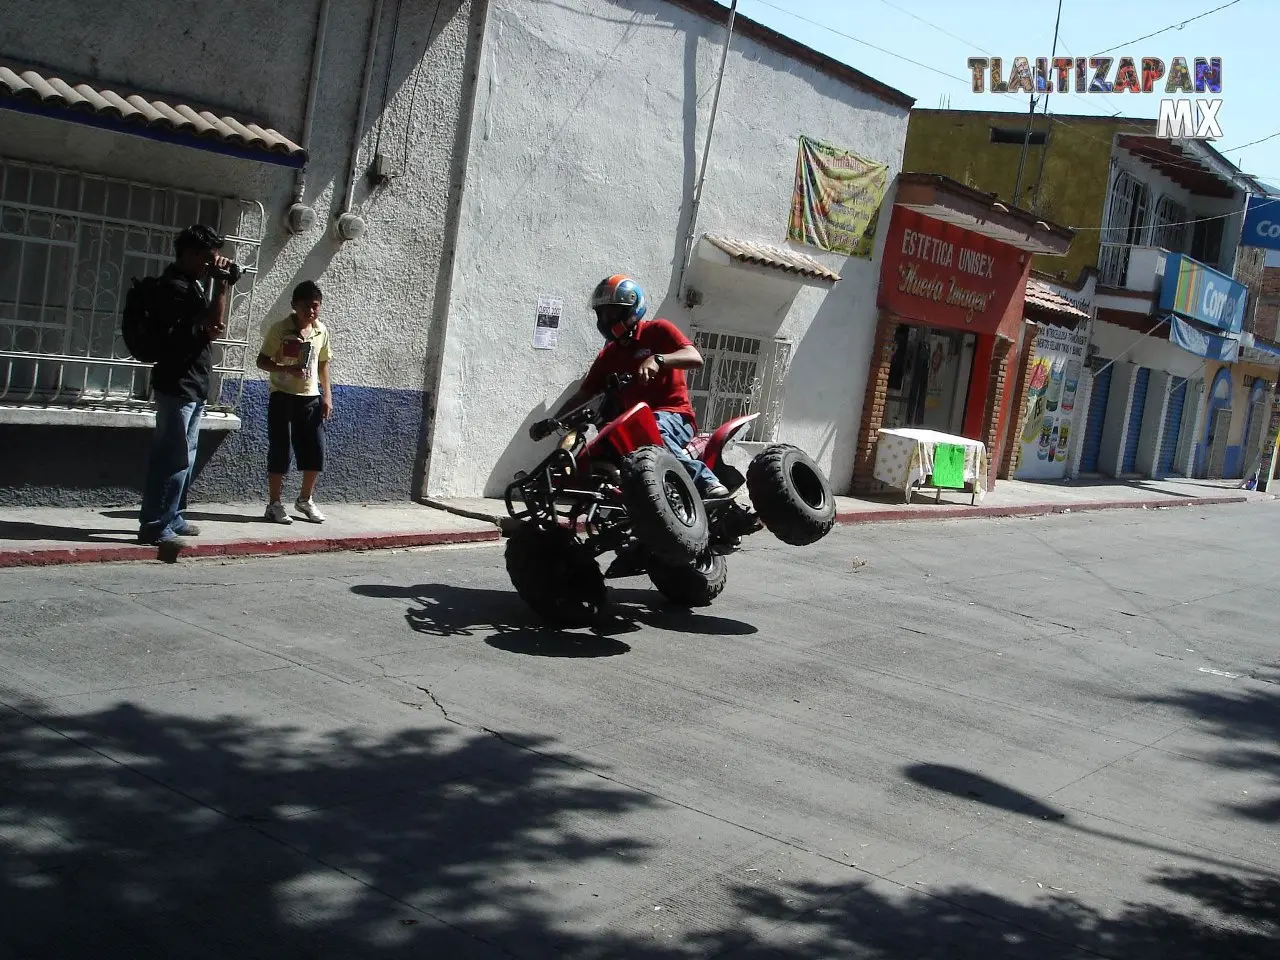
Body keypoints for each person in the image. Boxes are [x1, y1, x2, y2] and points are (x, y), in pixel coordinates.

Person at [530, 274, 730, 498]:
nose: (606, 319)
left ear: (632, 309)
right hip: (632, 425)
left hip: (674, 416)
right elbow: (584, 394)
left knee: (652, 431)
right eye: (602, 313)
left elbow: (695, 357)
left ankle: (706, 481)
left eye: (612, 312)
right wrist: (552, 422)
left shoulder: (658, 330)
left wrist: (658, 359)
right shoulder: (609, 354)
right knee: (598, 448)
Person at [137, 223, 238, 556]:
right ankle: (155, 525)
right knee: (172, 458)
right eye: (208, 257)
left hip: (191, 384)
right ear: (191, 254)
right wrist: (221, 286)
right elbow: (212, 323)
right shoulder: (176, 288)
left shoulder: (192, 285)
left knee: (185, 457)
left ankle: (173, 516)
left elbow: (208, 330)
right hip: (177, 385)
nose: (213, 264)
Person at [256, 280, 333, 523]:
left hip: (310, 398)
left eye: (315, 306)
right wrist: (286, 370)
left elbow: (323, 364)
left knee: (315, 450)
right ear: (294, 306)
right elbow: (261, 361)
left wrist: (327, 395)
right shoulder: (279, 329)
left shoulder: (321, 330)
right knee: (280, 449)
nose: (310, 311)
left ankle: (305, 500)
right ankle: (274, 504)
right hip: (282, 396)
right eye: (305, 306)